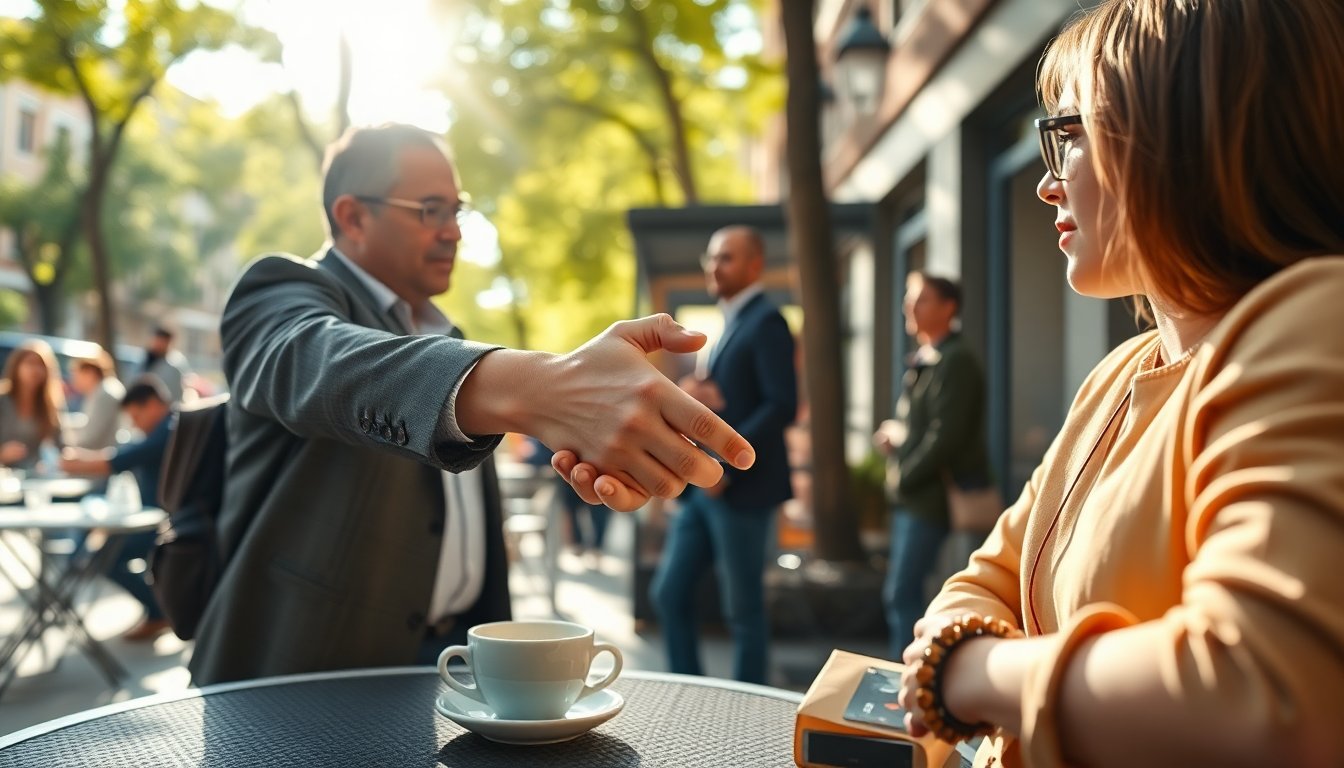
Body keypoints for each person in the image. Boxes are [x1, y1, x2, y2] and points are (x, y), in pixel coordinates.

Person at [893, 2, 1344, 766]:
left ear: (1184, 135)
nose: (1047, 185)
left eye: (1068, 135)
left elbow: (1265, 696)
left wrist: (971, 673)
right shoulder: (1119, 373)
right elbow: (986, 579)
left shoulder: (1320, 323)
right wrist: (966, 657)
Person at [188, 123, 752, 685]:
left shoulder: (448, 335)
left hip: (451, 664)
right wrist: (545, 387)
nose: (454, 231)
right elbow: (322, 360)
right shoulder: (279, 291)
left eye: (456, 209)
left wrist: (586, 435)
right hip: (298, 683)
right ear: (353, 217)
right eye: (430, 210)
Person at [649, 225, 797, 684]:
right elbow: (732, 400)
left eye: (726, 257)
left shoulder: (767, 322)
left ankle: (748, 707)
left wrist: (728, 465)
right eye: (711, 257)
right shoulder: (729, 323)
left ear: (755, 265)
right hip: (705, 489)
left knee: (743, 611)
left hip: (740, 489)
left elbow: (781, 404)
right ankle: (687, 690)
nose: (714, 266)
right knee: (669, 593)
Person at [873, 272, 990, 658]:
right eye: (909, 298)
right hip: (916, 495)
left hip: (930, 497)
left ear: (948, 307)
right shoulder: (930, 357)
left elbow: (946, 435)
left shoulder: (955, 360)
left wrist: (904, 476)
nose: (910, 306)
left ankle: (911, 677)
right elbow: (926, 427)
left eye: (921, 299)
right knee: (905, 593)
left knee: (902, 593)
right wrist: (897, 435)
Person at [61, 380, 174, 640]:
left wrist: (75, 462)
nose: (134, 424)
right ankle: (158, 610)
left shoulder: (169, 428)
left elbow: (120, 460)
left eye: (136, 416)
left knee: (106, 556)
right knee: (105, 551)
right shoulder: (169, 427)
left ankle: (158, 611)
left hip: (163, 525)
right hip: (156, 520)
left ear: (153, 405)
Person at [0, 339, 65, 472]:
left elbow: (61, 446)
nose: (35, 370)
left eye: (41, 365)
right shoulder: (3, 400)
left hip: (34, 475)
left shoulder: (50, 404)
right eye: (29, 363)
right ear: (16, 366)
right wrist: (2, 454)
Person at [67, 349, 126, 451]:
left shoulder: (104, 393)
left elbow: (90, 438)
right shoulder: (103, 389)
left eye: (76, 375)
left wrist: (66, 444)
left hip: (102, 453)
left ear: (89, 373)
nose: (74, 380)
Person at [140, 326, 189, 404]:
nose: (157, 345)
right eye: (156, 340)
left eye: (162, 341)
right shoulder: (145, 360)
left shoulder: (174, 366)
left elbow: (177, 395)